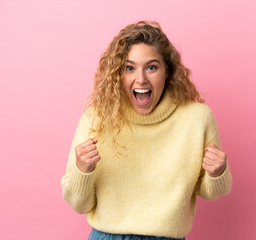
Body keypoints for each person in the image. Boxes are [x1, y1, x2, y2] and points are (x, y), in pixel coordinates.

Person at [61, 20, 232, 240]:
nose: (140, 79)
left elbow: (211, 191)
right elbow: (78, 204)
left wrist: (217, 173)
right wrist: (82, 170)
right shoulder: (97, 117)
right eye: (129, 68)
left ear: (167, 71)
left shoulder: (197, 119)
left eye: (151, 67)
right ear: (117, 74)